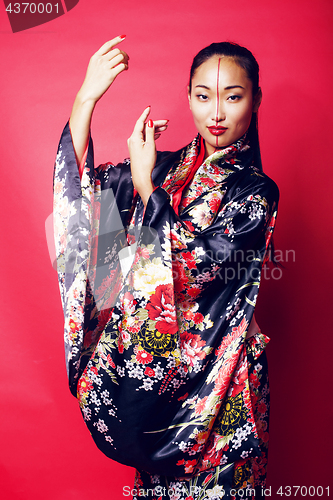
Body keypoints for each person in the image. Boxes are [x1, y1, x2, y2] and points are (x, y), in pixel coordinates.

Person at [53, 36, 279, 499]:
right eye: (202, 96)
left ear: (255, 99)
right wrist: (87, 98)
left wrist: (143, 181)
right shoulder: (166, 169)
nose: (216, 113)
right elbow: (85, 208)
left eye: (233, 97)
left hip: (225, 393)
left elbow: (196, 265)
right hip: (161, 401)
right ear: (189, 96)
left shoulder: (257, 192)